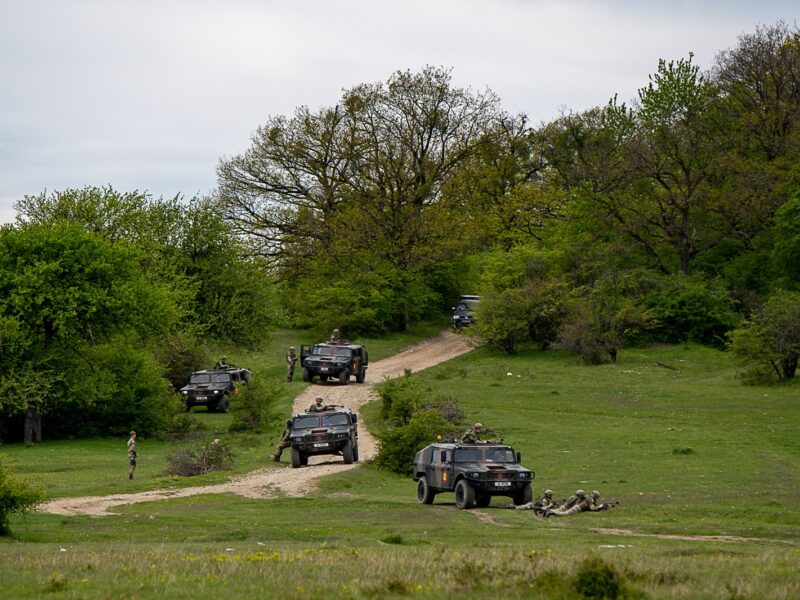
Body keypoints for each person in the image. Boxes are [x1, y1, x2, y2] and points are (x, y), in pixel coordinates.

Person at [544, 490, 613, 517]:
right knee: (565, 514)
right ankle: (551, 512)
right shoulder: (590, 500)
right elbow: (592, 508)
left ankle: (551, 511)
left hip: (576, 506)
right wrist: (600, 507)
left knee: (562, 510)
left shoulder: (587, 497)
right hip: (578, 508)